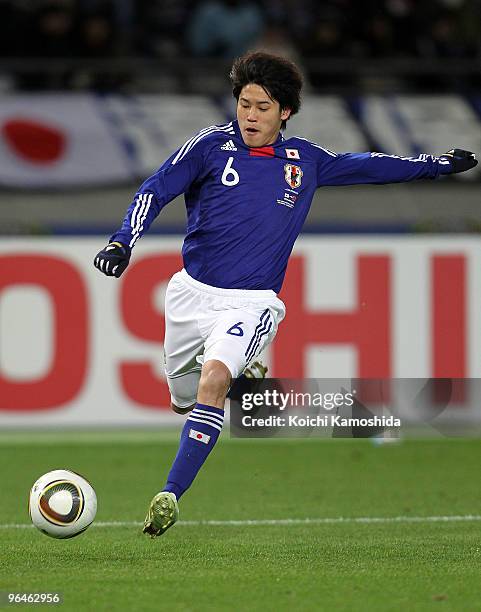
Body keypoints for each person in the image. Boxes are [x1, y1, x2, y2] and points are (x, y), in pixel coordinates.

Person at [94, 51, 477, 538]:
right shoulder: (210, 147)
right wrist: (122, 239)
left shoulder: (305, 162)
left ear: (285, 112)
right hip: (190, 296)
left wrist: (435, 165)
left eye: (262, 107)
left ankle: (170, 494)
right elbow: (157, 186)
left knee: (213, 382)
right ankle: (241, 371)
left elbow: (370, 165)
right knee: (184, 398)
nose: (250, 116)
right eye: (244, 104)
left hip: (252, 302)